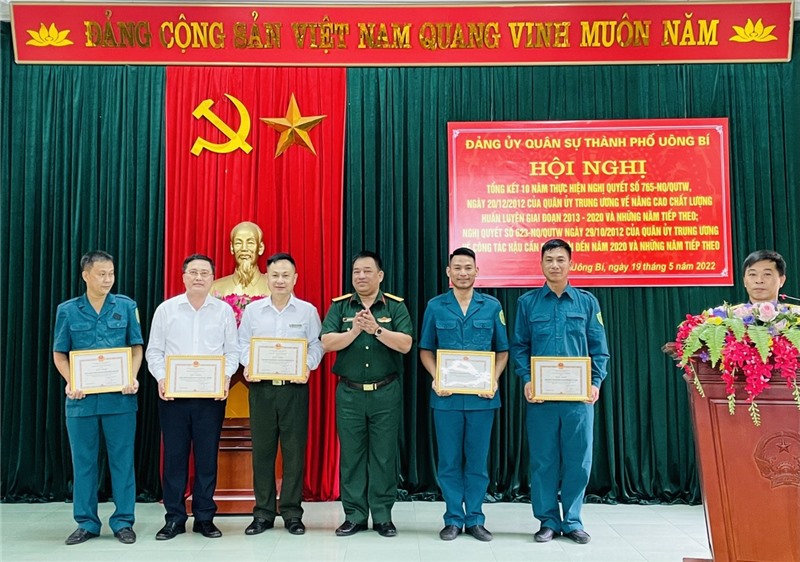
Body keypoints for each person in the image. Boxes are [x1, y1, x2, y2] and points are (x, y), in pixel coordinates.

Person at [510, 239, 610, 545]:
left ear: (570, 264)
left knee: (579, 460)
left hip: (578, 400)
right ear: (541, 264)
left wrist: (595, 382)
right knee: (544, 461)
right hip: (541, 398)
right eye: (549, 260)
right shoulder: (527, 303)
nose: (555, 265)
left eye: (560, 260)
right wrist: (527, 379)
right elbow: (519, 347)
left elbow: (599, 349)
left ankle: (573, 520)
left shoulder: (587, 303)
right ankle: (548, 521)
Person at [145, 254, 239, 540]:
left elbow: (232, 352)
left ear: (213, 278)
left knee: (207, 458)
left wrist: (224, 377)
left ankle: (204, 517)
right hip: (173, 397)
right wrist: (162, 378)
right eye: (193, 272)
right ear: (183, 276)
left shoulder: (223, 311)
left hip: (210, 398)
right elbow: (154, 351)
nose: (199, 277)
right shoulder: (166, 310)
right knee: (174, 458)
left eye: (204, 273)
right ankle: (174, 518)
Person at [52, 250, 143, 545]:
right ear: (86, 275)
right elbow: (59, 353)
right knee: (84, 463)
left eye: (111, 273)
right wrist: (72, 380)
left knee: (122, 461)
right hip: (82, 401)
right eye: (102, 274)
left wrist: (132, 376)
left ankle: (123, 522)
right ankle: (86, 522)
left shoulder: (126, 306)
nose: (108, 279)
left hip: (120, 400)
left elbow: (136, 347)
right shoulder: (67, 310)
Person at [418, 247, 509, 542]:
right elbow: (425, 350)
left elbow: (503, 350)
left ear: (477, 271)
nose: (463, 273)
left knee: (477, 462)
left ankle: (476, 519)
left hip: (482, 399)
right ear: (448, 272)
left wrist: (493, 379)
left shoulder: (492, 306)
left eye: (468, 267)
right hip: (446, 398)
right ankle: (454, 518)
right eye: (457, 267)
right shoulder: (436, 306)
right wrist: (437, 377)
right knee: (449, 462)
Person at [321, 251, 413, 538]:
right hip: (349, 394)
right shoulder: (340, 306)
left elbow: (406, 344)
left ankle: (383, 516)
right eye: (356, 272)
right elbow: (326, 342)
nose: (361, 276)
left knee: (384, 456)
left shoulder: (395, 306)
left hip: (385, 392)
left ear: (380, 275)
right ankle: (355, 515)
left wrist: (376, 330)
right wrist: (353, 332)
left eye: (367, 271)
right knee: (352, 456)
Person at [238, 253, 324, 536]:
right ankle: (262, 513)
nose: (280, 280)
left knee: (294, 453)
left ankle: (292, 513)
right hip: (261, 389)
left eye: (286, 275)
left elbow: (317, 345)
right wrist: (249, 363)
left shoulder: (307, 311)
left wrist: (306, 366)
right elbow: (242, 344)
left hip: (294, 390)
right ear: (267, 278)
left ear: (295, 278)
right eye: (275, 275)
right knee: (262, 452)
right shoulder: (253, 311)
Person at [210, 221, 270, 297]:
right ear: (232, 248)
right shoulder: (214, 288)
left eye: (250, 243)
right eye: (238, 243)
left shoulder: (273, 288)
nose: (244, 248)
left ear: (260, 248)